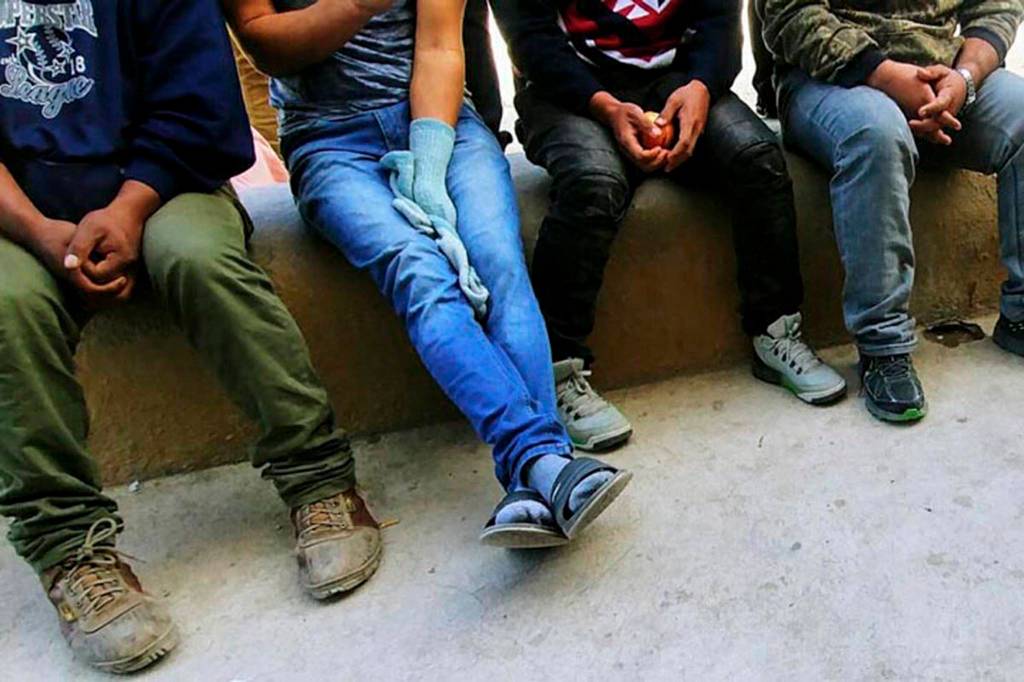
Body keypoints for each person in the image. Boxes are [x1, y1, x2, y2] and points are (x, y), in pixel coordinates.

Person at [0, 0, 377, 673]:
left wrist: (128, 208)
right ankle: (71, 549)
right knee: (6, 305)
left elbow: (199, 108)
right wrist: (37, 229)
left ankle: (317, 477)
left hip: (163, 185)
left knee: (199, 260)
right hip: (20, 215)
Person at [224, 0, 631, 560]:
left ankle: (530, 479)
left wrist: (430, 164)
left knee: (498, 261)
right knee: (418, 270)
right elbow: (265, 43)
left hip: (442, 121)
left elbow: (440, 45)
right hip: (329, 141)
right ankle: (543, 458)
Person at [493, 0, 847, 451]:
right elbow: (530, 39)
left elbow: (719, 20)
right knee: (593, 184)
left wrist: (700, 86)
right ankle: (557, 370)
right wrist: (605, 108)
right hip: (570, 96)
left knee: (756, 160)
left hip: (679, 81)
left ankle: (775, 331)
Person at [760, 0, 1024, 422]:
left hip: (945, 76)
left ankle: (1020, 317)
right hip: (831, 77)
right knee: (877, 135)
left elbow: (997, 5)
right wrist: (884, 75)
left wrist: (965, 77)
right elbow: (789, 15)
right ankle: (883, 348)